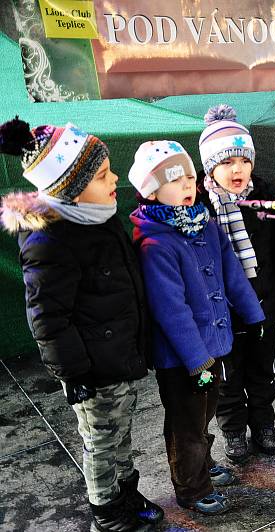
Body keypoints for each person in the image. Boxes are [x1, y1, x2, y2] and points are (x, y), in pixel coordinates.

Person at [0, 118, 161, 532]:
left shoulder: (98, 215)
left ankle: (127, 491)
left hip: (119, 352)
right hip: (92, 367)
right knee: (101, 441)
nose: (116, 179)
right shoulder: (49, 240)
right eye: (104, 174)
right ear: (71, 187)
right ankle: (106, 511)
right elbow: (47, 317)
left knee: (122, 432)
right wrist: (73, 374)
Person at [128, 140, 265, 515]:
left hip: (214, 346)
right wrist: (196, 360)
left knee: (207, 411)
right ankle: (191, 486)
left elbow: (232, 271)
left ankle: (201, 464)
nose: (189, 185)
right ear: (151, 190)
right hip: (184, 358)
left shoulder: (204, 223)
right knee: (187, 422)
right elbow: (170, 310)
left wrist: (253, 314)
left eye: (191, 177)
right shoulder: (155, 242)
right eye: (177, 180)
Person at [197, 104, 275, 462]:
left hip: (262, 303)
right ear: (209, 167)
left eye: (244, 160)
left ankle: (264, 425)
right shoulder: (200, 205)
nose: (237, 169)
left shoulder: (264, 196)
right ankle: (234, 431)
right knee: (228, 377)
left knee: (263, 372)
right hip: (222, 312)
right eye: (226, 162)